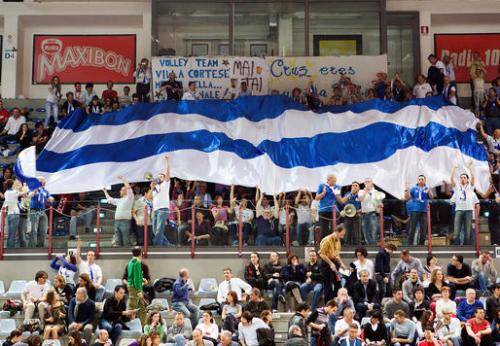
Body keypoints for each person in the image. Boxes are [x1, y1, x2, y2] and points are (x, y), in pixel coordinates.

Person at [103, 176, 134, 247]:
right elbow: (110, 199)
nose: (120, 191)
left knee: (126, 239)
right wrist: (105, 191)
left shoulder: (129, 198)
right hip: (117, 222)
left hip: (125, 221)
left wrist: (123, 179)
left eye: (122, 190)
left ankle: (126, 254)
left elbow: (129, 189)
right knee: (117, 240)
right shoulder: (119, 200)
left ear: (126, 191)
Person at [450, 162, 476, 245]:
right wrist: (454, 168)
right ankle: (456, 247)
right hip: (459, 210)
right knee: (456, 230)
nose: (463, 179)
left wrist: (469, 168)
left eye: (464, 177)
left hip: (469, 210)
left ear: (467, 179)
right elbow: (451, 179)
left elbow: (473, 178)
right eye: (461, 178)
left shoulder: (470, 187)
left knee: (467, 231)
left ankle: (466, 248)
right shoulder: (457, 187)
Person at [319, 225, 347, 302]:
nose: (342, 237)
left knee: (338, 283)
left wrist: (341, 264)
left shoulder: (338, 241)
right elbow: (321, 254)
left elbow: (337, 254)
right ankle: (328, 305)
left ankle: (337, 302)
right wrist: (331, 263)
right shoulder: (327, 240)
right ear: (337, 232)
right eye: (341, 234)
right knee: (328, 285)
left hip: (335, 262)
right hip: (326, 263)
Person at [405, 175, 433, 245]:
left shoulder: (427, 188)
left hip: (424, 210)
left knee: (423, 229)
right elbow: (407, 198)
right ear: (417, 180)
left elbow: (431, 197)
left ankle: (421, 244)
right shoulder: (414, 188)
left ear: (425, 180)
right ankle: (410, 243)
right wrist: (407, 189)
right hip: (415, 210)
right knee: (413, 227)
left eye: (422, 179)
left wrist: (430, 190)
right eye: (419, 179)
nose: (421, 180)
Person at [152, 156, 173, 246]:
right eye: (159, 176)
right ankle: (168, 245)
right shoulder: (155, 188)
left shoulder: (166, 184)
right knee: (155, 230)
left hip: (163, 209)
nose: (160, 177)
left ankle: (157, 247)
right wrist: (152, 187)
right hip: (156, 210)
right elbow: (149, 198)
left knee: (159, 230)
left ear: (164, 178)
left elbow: (168, 174)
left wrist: (168, 162)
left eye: (162, 176)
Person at [358, 178, 385, 245]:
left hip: (372, 213)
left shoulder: (376, 192)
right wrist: (365, 191)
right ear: (364, 183)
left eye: (369, 181)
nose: (367, 183)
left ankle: (373, 246)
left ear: (372, 183)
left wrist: (379, 204)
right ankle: (370, 245)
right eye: (366, 182)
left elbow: (380, 203)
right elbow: (361, 199)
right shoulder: (361, 191)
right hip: (364, 214)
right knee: (365, 232)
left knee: (373, 231)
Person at [315, 174, 341, 239]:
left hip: (334, 211)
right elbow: (317, 198)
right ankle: (324, 244)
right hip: (323, 210)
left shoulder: (337, 186)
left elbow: (340, 200)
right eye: (333, 181)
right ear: (328, 180)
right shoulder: (322, 186)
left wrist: (336, 195)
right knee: (324, 229)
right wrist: (323, 193)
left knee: (335, 229)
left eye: (335, 181)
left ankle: (335, 243)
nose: (335, 182)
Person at [4, 179, 27, 248]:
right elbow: (25, 192)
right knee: (13, 233)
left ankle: (8, 247)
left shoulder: (6, 192)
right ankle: (11, 248)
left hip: (9, 214)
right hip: (15, 214)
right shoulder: (14, 192)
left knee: (10, 232)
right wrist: (25, 185)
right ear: (12, 185)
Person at [127, 246, 147, 325]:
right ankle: (127, 326)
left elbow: (133, 275)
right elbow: (136, 277)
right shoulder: (137, 262)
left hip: (132, 286)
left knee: (142, 309)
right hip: (135, 288)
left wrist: (142, 279)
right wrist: (139, 290)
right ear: (141, 253)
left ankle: (144, 328)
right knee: (132, 310)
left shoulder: (131, 261)